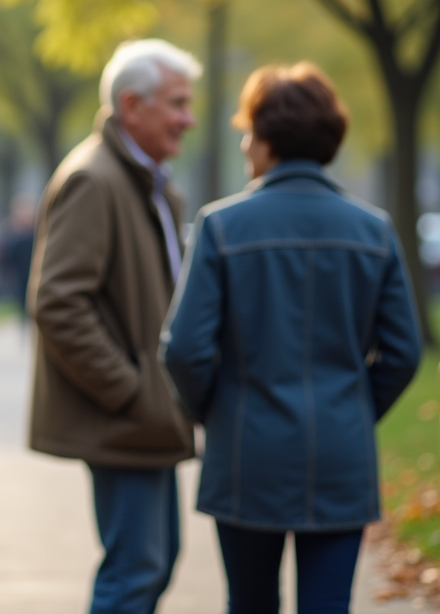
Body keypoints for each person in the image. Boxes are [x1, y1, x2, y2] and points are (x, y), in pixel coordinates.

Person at [163, 63, 421, 614]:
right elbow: (403, 351)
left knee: (250, 603)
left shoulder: (221, 225)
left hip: (246, 452)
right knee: (328, 604)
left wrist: (218, 411)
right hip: (341, 453)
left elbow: (183, 349)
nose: (243, 142)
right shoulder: (373, 229)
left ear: (266, 139)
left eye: (247, 130)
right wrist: (353, 409)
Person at [29, 38, 200, 614]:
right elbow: (57, 303)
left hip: (142, 417)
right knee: (136, 571)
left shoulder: (145, 182)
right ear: (132, 105)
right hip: (127, 418)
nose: (188, 119)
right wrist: (129, 389)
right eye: (177, 104)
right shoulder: (96, 180)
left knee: (152, 563)